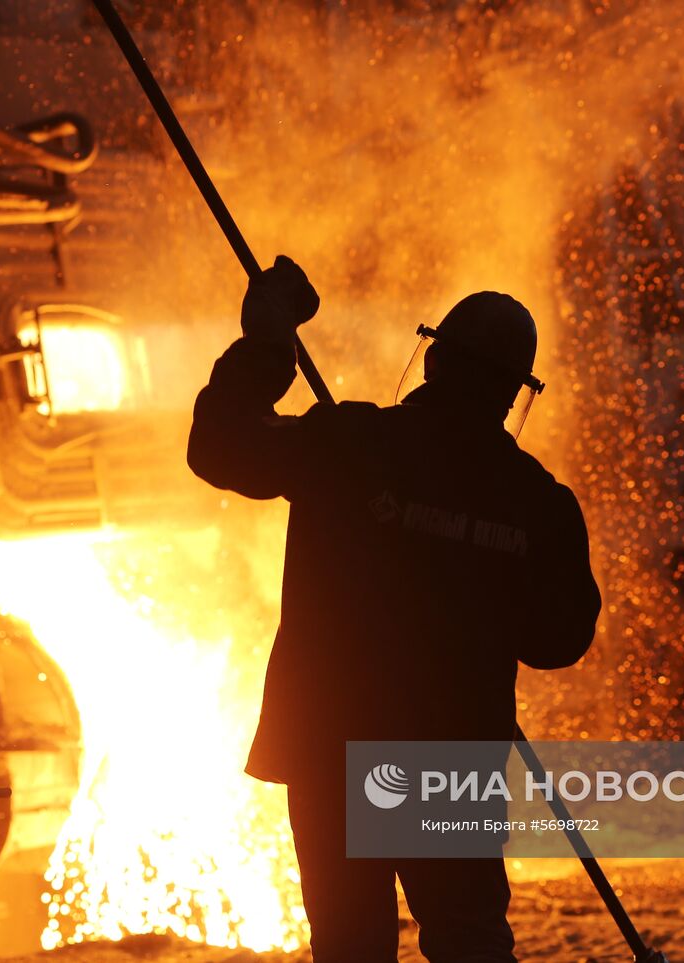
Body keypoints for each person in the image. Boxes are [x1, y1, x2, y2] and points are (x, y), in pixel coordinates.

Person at [187, 256, 602, 962]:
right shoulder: (536, 502)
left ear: (433, 359)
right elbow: (557, 639)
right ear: (512, 392)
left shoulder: (349, 442)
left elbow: (221, 446)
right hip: (448, 759)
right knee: (469, 941)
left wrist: (267, 344)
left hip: (334, 751)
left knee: (351, 946)